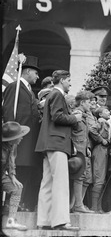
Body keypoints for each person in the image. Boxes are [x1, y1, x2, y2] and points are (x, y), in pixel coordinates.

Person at [35, 70, 81, 230]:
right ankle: (60, 221)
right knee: (60, 183)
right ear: (61, 80)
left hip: (50, 144)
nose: (70, 83)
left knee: (47, 182)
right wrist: (75, 118)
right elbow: (57, 117)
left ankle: (44, 221)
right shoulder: (57, 95)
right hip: (57, 143)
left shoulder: (52, 95)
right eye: (68, 80)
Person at [2, 55, 41, 211]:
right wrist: (11, 136)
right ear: (28, 71)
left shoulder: (29, 91)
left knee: (24, 170)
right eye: (36, 73)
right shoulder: (15, 86)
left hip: (28, 139)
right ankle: (9, 206)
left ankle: (17, 204)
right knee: (15, 170)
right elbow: (9, 111)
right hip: (18, 138)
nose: (38, 77)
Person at [2, 121, 30, 231]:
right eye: (19, 136)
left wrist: (12, 176)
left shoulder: (12, 145)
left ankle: (11, 221)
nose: (21, 138)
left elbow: (11, 160)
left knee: (17, 188)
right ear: (11, 138)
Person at [70, 91, 94, 214]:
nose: (90, 105)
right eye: (89, 102)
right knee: (79, 177)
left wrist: (88, 148)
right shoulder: (76, 115)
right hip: (77, 150)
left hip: (83, 149)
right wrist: (73, 147)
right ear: (83, 102)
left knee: (85, 178)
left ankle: (77, 204)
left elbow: (84, 133)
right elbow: (69, 133)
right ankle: (77, 205)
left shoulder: (84, 115)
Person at [89, 106, 111, 213]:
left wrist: (109, 149)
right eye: (106, 111)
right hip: (99, 150)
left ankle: (98, 206)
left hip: (104, 151)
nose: (109, 112)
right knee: (99, 179)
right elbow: (92, 130)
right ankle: (94, 207)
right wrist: (101, 140)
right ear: (100, 114)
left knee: (102, 180)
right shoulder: (101, 121)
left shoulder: (107, 124)